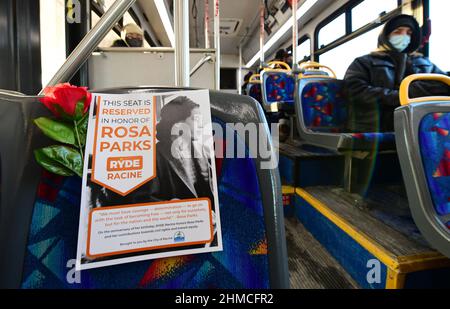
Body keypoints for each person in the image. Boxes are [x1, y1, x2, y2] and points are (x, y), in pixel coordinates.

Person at [344, 14, 449, 133]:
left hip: (420, 128)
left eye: (409, 33)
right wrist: (402, 96)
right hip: (375, 128)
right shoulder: (364, 62)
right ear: (386, 36)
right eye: (398, 32)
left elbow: (445, 84)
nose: (404, 37)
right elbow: (355, 91)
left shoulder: (425, 64)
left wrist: (413, 91)